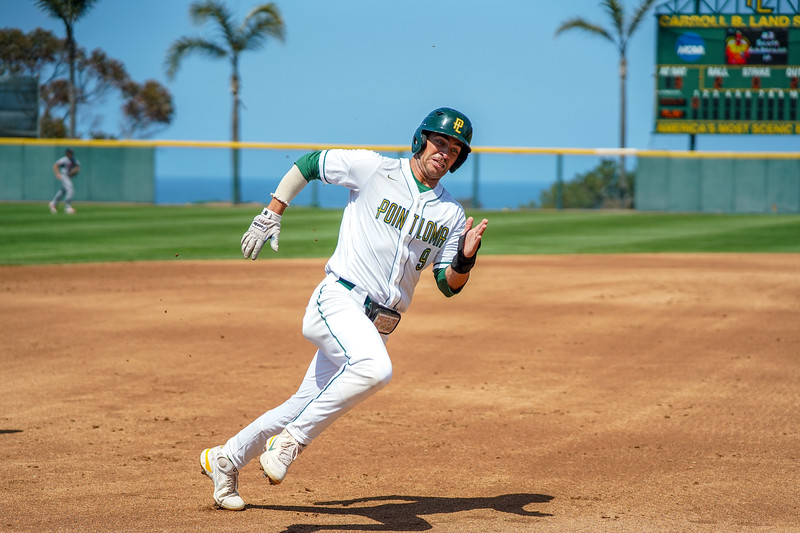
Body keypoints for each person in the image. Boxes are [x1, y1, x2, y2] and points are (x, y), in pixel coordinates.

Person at [199, 107, 489, 511]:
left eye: (455, 149)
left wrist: (465, 260)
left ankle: (225, 459)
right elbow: (309, 164)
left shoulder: (452, 214)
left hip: (377, 323)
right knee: (375, 369)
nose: (445, 152)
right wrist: (271, 213)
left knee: (301, 404)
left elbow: (447, 284)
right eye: (440, 141)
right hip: (338, 299)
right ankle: (290, 444)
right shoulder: (374, 169)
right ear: (421, 139)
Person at [49, 148, 80, 214]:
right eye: (69, 152)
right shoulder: (64, 159)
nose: (70, 154)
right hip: (64, 176)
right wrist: (57, 174)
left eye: (71, 152)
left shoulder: (73, 159)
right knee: (70, 190)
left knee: (62, 191)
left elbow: (78, 167)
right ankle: (68, 208)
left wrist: (74, 171)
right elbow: (55, 165)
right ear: (66, 153)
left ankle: (53, 203)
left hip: (69, 177)